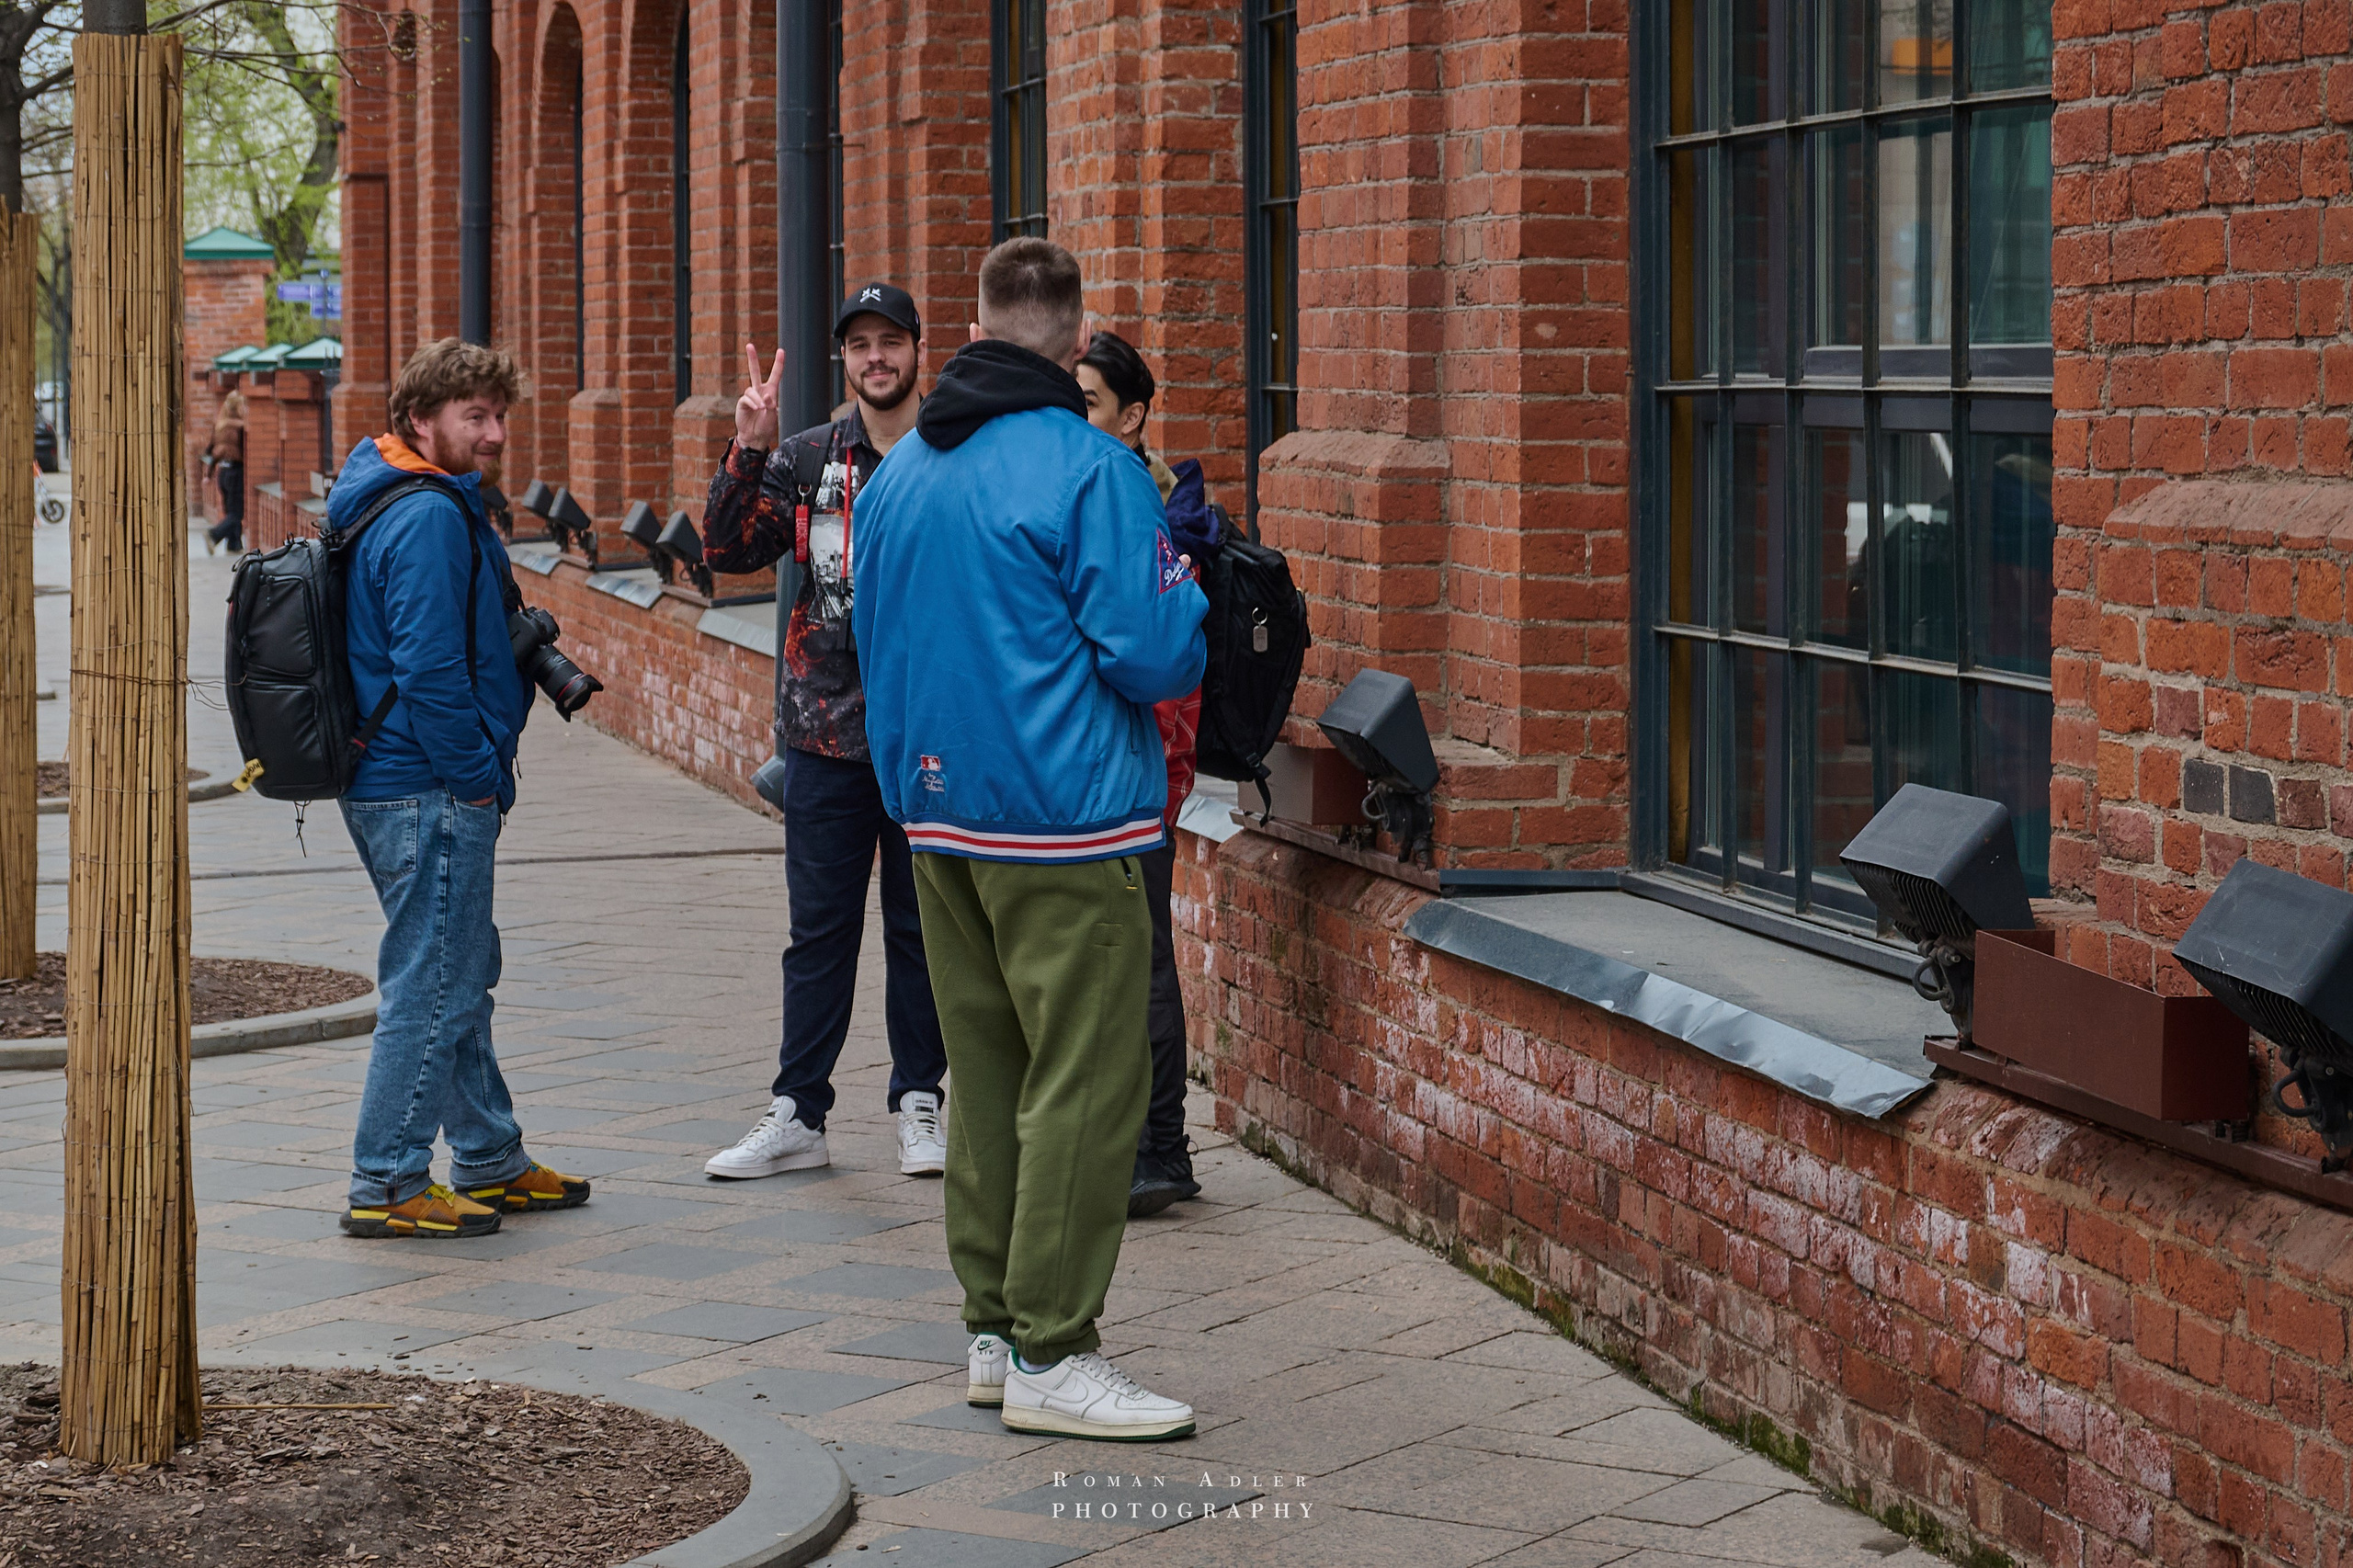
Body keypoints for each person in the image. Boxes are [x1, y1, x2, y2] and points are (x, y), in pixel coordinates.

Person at [852, 238, 1207, 1441]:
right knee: (1087, 1081)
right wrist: (1190, 593)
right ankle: (1058, 1345)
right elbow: (1156, 652)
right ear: (1071, 335)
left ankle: (996, 1330)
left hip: (934, 819)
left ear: (980, 324)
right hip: (1064, 817)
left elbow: (865, 638)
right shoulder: (1091, 468)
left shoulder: (897, 473)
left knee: (990, 1076)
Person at [329, 338, 589, 1240]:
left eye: (499, 414)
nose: (495, 432)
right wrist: (477, 776)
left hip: (397, 780)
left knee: (461, 966)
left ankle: (487, 1153)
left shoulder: (398, 491)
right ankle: (390, 1177)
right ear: (420, 420)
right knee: (432, 978)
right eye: (474, 416)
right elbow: (431, 669)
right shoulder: (428, 517)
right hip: (425, 786)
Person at [699, 283, 950, 1181]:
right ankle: (798, 1113)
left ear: (920, 349)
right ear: (842, 360)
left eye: (890, 341)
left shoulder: (951, 453)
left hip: (930, 736)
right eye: (859, 345)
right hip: (825, 738)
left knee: (925, 930)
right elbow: (723, 552)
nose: (875, 357)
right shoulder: (809, 459)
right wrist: (747, 447)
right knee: (819, 933)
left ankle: (922, 1101)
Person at [1074, 330, 1207, 1219]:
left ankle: (1164, 1149)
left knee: (1146, 962)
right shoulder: (1100, 492)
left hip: (1145, 769)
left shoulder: (1146, 507)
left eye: (1086, 402)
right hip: (1110, 767)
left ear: (1132, 416)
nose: (1074, 418)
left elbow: (1159, 659)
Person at [204, 391, 248, 554]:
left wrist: (208, 475)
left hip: (222, 472)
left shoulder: (220, 425)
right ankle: (214, 534)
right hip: (237, 471)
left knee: (230, 510)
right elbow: (246, 452)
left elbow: (210, 450)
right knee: (237, 512)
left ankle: (234, 545)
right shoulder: (241, 427)